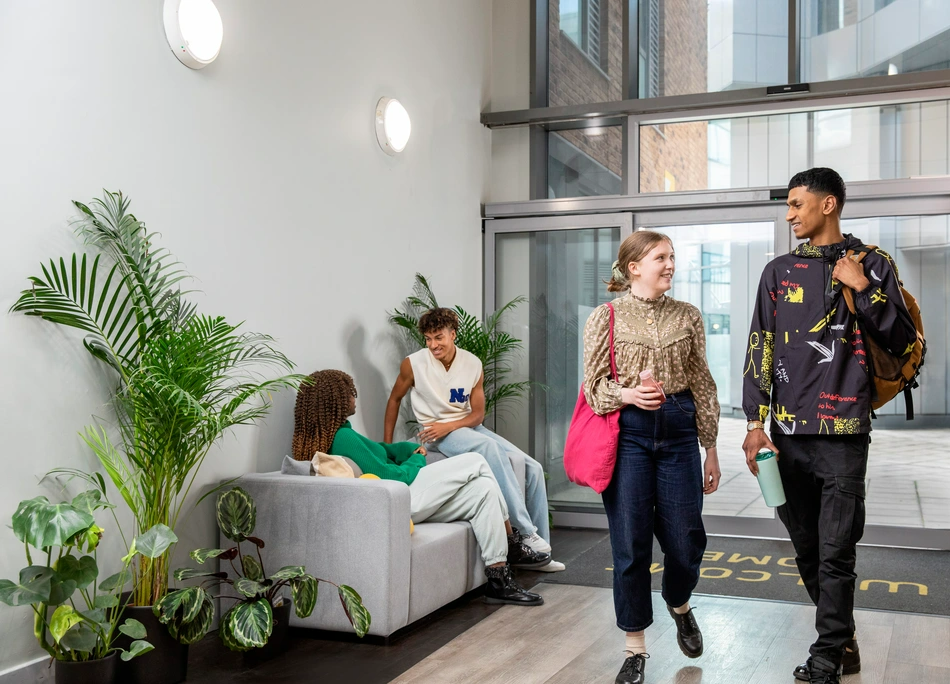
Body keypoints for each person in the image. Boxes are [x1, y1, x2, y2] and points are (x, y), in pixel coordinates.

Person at [742, 168, 918, 684]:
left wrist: (862, 287)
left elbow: (903, 340)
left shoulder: (873, 263)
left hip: (845, 433)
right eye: (788, 205)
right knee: (806, 547)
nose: (789, 215)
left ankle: (825, 658)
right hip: (786, 436)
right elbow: (760, 345)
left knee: (837, 550)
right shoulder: (778, 272)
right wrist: (754, 422)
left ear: (828, 204)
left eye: (797, 204)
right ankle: (844, 641)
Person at [582, 231, 722, 684]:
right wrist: (628, 395)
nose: (670, 265)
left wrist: (710, 448)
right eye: (661, 257)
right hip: (629, 435)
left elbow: (702, 382)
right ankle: (635, 647)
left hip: (679, 430)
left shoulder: (689, 315)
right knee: (630, 545)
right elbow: (593, 387)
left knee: (686, 540)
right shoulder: (605, 317)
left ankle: (679, 602)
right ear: (634, 266)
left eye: (672, 257)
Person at [293, 369, 550, 606]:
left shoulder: (340, 433)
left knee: (483, 489)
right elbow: (391, 475)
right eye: (350, 392)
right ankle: (513, 543)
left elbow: (382, 451)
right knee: (476, 461)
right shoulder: (343, 437)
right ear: (335, 400)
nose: (354, 397)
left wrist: (407, 449)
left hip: (403, 498)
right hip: (401, 498)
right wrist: (417, 459)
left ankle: (498, 580)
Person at [384, 307, 565, 572]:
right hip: (434, 434)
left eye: (439, 337)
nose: (433, 345)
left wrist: (449, 425)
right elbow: (394, 400)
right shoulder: (413, 364)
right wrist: (387, 446)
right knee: (488, 447)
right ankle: (526, 533)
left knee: (533, 468)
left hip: (466, 427)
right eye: (428, 339)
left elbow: (478, 415)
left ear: (453, 334)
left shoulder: (472, 364)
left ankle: (541, 556)